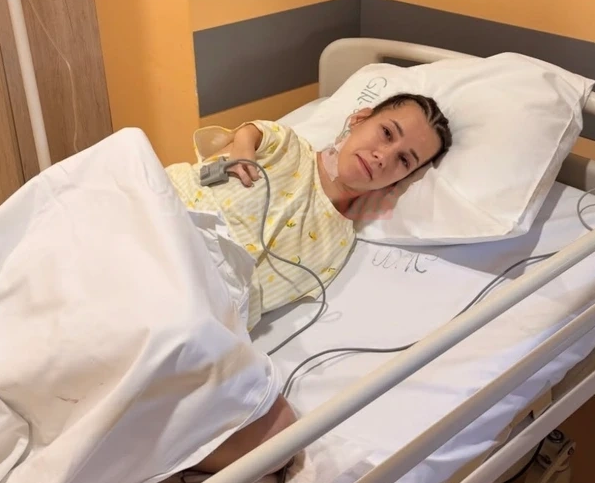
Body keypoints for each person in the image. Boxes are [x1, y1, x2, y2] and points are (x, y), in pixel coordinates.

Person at [165, 93, 453, 331]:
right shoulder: (286, 146)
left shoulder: (338, 244)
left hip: (200, 307)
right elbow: (251, 133)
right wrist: (243, 142)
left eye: (403, 160)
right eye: (387, 133)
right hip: (165, 223)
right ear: (359, 119)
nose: (383, 157)